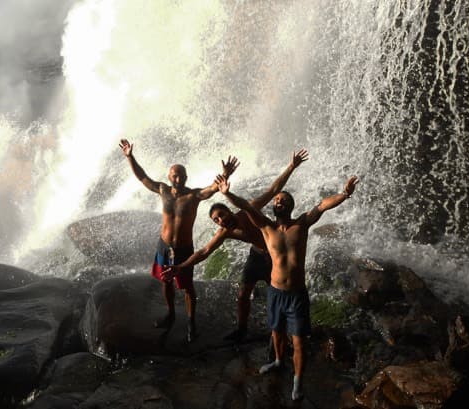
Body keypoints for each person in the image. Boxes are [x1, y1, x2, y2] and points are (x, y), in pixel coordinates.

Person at [217, 171, 359, 401]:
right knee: (277, 332)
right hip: (275, 292)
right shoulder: (266, 228)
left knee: (299, 341)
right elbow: (247, 207)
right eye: (276, 200)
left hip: (296, 294)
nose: (278, 201)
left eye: (282, 200)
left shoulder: (301, 224)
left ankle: (297, 380)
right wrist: (227, 193)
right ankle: (278, 361)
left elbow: (322, 206)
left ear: (290, 206)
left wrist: (344, 194)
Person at [164, 148, 310, 342]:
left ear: (229, 212)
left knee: (279, 295)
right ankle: (242, 330)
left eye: (221, 216)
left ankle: (287, 334)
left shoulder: (248, 211)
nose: (221, 222)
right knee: (243, 295)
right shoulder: (226, 232)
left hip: (274, 258)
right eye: (216, 221)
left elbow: (273, 190)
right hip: (256, 256)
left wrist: (291, 166)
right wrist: (180, 267)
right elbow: (204, 251)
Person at [119, 138, 239, 343]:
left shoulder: (193, 196)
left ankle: (191, 322)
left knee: (187, 287)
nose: (178, 178)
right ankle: (171, 314)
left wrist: (225, 175)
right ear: (169, 176)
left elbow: (212, 188)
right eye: (175, 175)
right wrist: (130, 157)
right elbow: (142, 177)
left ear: (186, 177)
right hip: (164, 246)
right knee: (165, 281)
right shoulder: (162, 190)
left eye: (181, 175)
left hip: (183, 248)